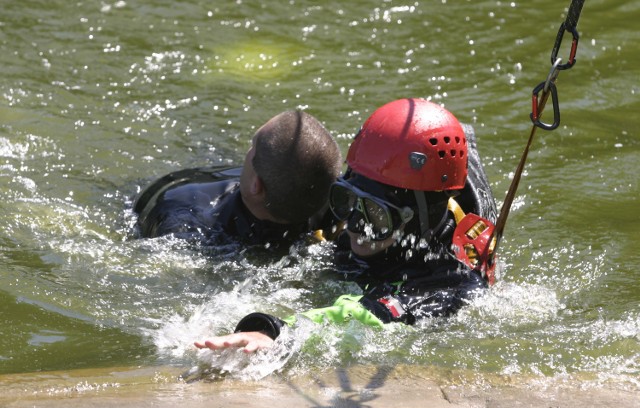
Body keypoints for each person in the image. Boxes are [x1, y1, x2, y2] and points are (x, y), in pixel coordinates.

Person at [194, 98, 498, 353]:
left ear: (412, 220)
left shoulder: (445, 285)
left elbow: (357, 315)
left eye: (375, 216)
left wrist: (274, 332)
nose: (352, 225)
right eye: (347, 201)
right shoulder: (371, 212)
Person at [133, 110, 343, 248]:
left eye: (253, 147)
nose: (248, 152)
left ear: (256, 186)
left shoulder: (180, 216)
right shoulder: (339, 210)